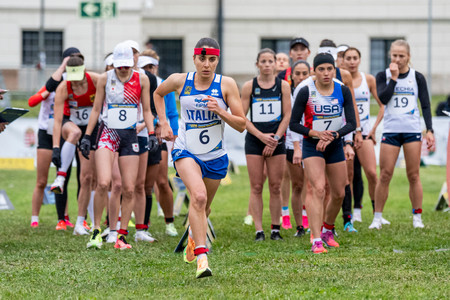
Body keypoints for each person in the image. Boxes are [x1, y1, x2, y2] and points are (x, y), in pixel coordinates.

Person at [154, 37, 246, 278]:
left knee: (203, 208)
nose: (206, 64)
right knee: (199, 196)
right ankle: (202, 258)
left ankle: (194, 240)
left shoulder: (226, 84)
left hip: (215, 155)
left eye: (212, 59)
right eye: (202, 59)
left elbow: (241, 124)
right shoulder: (178, 81)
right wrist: (163, 123)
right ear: (194, 59)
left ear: (218, 60)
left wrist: (220, 111)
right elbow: (157, 94)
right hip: (185, 150)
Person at [82, 42, 155, 250]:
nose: (123, 69)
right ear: (114, 63)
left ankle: (122, 236)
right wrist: (87, 136)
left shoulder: (142, 79)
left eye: (126, 65)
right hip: (108, 133)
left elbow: (147, 110)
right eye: (119, 65)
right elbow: (96, 110)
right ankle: (97, 230)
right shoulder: (105, 78)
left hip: (130, 136)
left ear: (133, 63)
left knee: (128, 188)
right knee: (103, 183)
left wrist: (151, 133)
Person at [290, 53, 356, 254]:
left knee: (339, 193)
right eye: (321, 69)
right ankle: (316, 239)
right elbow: (293, 123)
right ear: (314, 71)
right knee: (318, 188)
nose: (326, 73)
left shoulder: (342, 90)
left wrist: (335, 136)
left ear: (334, 70)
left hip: (334, 145)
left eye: (330, 69)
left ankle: (328, 229)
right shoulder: (305, 91)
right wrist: (315, 134)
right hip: (312, 145)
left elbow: (352, 123)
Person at [370, 39, 435, 229]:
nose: (397, 59)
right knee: (385, 174)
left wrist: (429, 129)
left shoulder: (417, 77)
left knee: (413, 175)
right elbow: (383, 98)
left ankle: (417, 217)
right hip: (391, 131)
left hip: (411, 130)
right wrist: (394, 78)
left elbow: (425, 104)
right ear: (389, 55)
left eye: (401, 56)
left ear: (408, 57)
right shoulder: (383, 75)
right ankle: (377, 218)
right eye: (394, 55)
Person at [241, 48, 291, 242]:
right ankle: (259, 230)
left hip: (276, 139)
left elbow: (287, 115)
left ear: (275, 64)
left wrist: (275, 138)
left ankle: (275, 229)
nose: (268, 65)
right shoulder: (249, 86)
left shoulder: (283, 86)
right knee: (256, 186)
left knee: (276, 186)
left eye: (271, 61)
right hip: (255, 139)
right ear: (257, 64)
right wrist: (261, 136)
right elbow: (241, 116)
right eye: (264, 61)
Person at [50, 56, 100, 235]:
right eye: (73, 79)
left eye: (79, 78)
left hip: (92, 127)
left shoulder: (95, 80)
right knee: (75, 133)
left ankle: (82, 222)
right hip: (70, 124)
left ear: (84, 72)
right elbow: (56, 121)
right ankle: (60, 177)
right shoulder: (64, 87)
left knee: (87, 178)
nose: (77, 83)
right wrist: (56, 147)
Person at [139, 49, 179, 237]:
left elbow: (171, 113)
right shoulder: (136, 83)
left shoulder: (163, 85)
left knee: (162, 181)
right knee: (140, 183)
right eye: (144, 67)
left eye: (151, 67)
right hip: (138, 135)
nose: (148, 70)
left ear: (156, 67)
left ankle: (169, 222)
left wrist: (175, 136)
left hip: (158, 136)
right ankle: (141, 223)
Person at [342, 47, 384, 226]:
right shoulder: (340, 80)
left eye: (355, 58)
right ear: (343, 61)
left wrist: (373, 129)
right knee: (349, 176)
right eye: (348, 58)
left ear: (360, 60)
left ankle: (377, 213)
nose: (352, 61)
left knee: (372, 174)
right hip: (347, 133)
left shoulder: (369, 79)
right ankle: (350, 215)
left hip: (365, 131)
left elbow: (382, 105)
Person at [282, 60, 311, 236]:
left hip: (311, 142)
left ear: (310, 74)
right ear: (292, 76)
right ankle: (299, 226)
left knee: (314, 184)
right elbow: (290, 122)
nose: (301, 77)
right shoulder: (289, 94)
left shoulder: (314, 92)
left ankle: (317, 223)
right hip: (292, 144)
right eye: (297, 74)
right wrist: (295, 146)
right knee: (298, 185)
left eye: (304, 73)